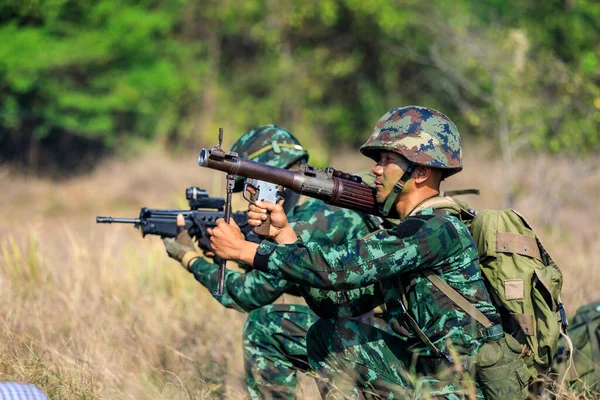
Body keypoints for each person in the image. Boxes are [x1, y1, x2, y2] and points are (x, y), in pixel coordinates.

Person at [209, 106, 513, 399]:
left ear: (420, 171)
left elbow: (338, 269)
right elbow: (334, 306)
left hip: (463, 388)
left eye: (386, 160)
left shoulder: (435, 229)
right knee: (330, 334)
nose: (375, 169)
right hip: (432, 376)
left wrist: (246, 250)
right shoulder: (409, 232)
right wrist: (284, 236)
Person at [162, 125, 385, 399]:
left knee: (264, 327)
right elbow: (298, 274)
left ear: (270, 179)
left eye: (251, 186)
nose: (251, 197)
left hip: (378, 334)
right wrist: (229, 252)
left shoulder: (310, 222)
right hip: (378, 329)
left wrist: (190, 258)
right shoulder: (325, 206)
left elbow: (249, 294)